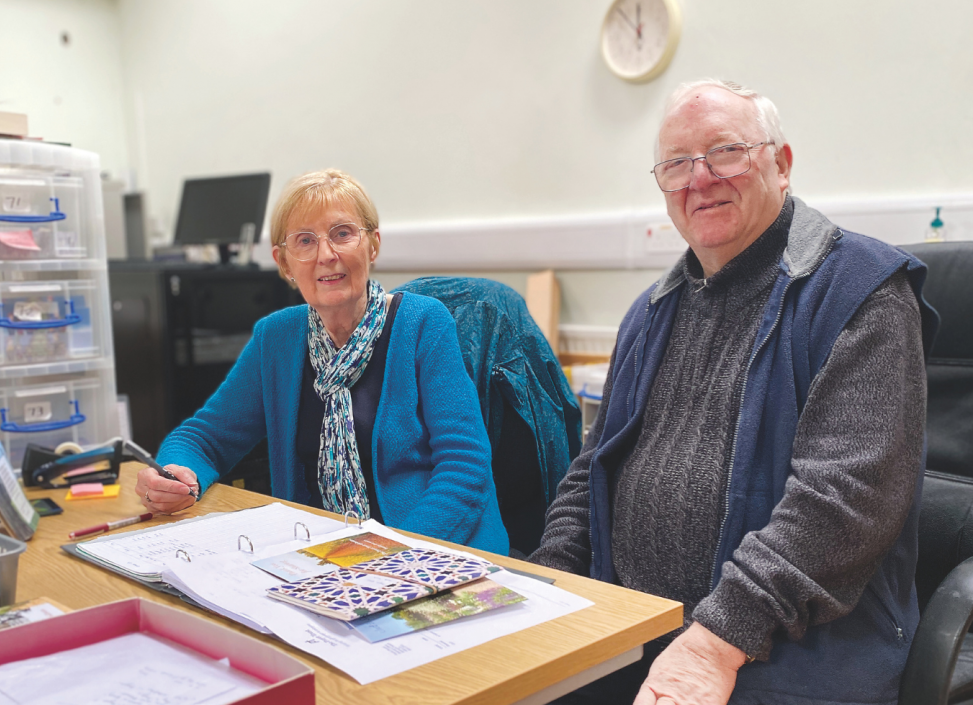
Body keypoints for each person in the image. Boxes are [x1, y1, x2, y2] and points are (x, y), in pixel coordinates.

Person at [531, 80, 938, 705]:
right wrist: (549, 590)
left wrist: (714, 642)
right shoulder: (650, 312)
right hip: (635, 633)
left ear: (782, 163)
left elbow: (844, 501)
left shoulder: (861, 291)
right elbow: (592, 472)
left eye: (725, 151)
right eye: (676, 163)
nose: (700, 178)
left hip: (782, 649)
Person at [135, 169, 509, 555]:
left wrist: (386, 553)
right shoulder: (276, 338)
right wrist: (176, 475)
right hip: (323, 554)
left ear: (373, 245)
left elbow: (464, 467)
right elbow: (204, 438)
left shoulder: (423, 323)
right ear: (284, 263)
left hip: (434, 550)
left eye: (342, 234)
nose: (326, 255)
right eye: (305, 241)